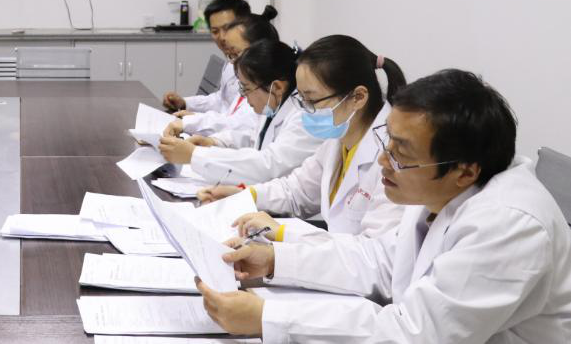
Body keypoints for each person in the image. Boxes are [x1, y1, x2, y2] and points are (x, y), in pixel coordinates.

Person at [196, 69, 571, 343]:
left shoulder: (508, 224)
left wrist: (269, 317)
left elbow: (415, 334)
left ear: (464, 170)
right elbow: (380, 260)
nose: (383, 160)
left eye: (401, 152)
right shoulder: (443, 187)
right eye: (387, 141)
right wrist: (275, 259)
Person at [196, 35, 407, 242]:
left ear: (358, 97)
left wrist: (284, 233)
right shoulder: (339, 137)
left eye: (312, 100)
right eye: (302, 99)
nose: (305, 111)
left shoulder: (394, 156)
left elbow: (373, 252)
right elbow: (296, 191)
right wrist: (244, 196)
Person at [157, 40, 321, 184]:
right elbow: (253, 140)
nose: (243, 96)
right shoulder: (274, 105)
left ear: (277, 87)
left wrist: (194, 155)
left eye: (246, 88)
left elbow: (268, 165)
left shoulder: (304, 118)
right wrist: (215, 142)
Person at [161, 0, 259, 137]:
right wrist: (185, 103)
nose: (222, 37)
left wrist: (194, 121)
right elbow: (222, 99)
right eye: (215, 31)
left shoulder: (259, 68)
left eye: (227, 28)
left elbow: (242, 124)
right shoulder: (231, 61)